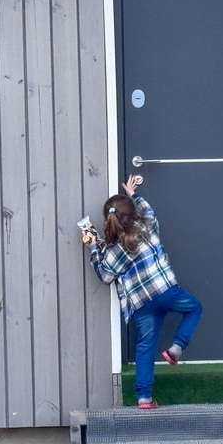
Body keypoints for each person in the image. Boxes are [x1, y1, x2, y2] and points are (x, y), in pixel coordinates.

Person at [83, 175, 202, 409]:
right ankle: (176, 348)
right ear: (133, 214)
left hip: (141, 304)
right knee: (195, 308)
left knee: (145, 346)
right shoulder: (147, 226)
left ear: (108, 220)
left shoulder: (113, 250)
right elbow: (148, 210)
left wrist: (94, 247)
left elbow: (106, 276)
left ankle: (144, 398)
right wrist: (133, 194)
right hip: (165, 291)